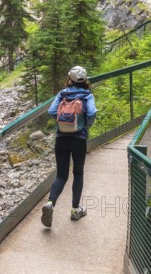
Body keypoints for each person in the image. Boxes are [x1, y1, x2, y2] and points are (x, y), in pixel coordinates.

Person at [41, 66, 97, 228]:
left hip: (61, 138)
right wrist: (85, 125)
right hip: (79, 139)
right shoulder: (87, 95)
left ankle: (51, 203)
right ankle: (75, 210)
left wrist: (62, 122)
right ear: (85, 80)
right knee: (78, 173)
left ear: (69, 79)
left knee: (61, 175)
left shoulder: (62, 94)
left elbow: (52, 111)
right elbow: (92, 113)